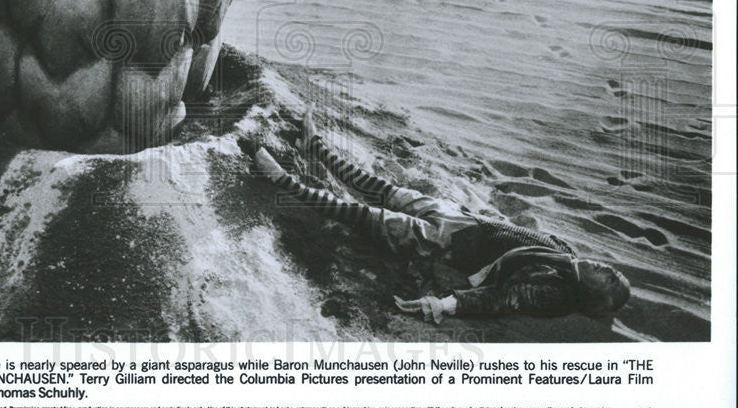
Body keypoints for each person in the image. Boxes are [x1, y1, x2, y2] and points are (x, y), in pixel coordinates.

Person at [254, 108, 631, 324]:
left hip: (446, 242)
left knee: (361, 213)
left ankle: (284, 182)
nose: (606, 267)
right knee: (380, 188)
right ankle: (315, 146)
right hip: (463, 222)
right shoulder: (567, 256)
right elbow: (519, 235)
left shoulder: (553, 291)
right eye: (612, 269)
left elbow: (501, 298)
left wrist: (445, 304)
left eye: (608, 278)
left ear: (591, 292)